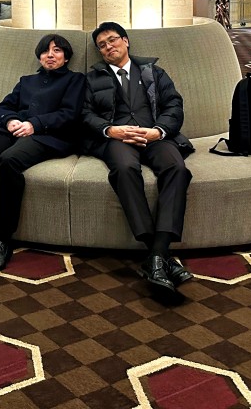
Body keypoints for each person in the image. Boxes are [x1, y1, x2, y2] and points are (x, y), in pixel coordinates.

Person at [0, 34, 86, 275]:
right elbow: (5, 106)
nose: (50, 55)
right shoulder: (27, 81)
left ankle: (4, 240)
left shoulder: (75, 80)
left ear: (66, 57)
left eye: (57, 50)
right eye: (45, 51)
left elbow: (70, 114)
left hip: (47, 135)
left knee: (9, 160)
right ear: (39, 56)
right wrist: (11, 120)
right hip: (11, 129)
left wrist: (34, 124)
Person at [83, 21, 194, 297]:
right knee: (123, 168)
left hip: (154, 136)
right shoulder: (92, 79)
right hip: (117, 140)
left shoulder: (153, 72)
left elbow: (174, 105)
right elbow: (84, 114)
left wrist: (158, 131)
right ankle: (159, 255)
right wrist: (110, 130)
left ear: (126, 41)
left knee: (177, 167)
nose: (108, 47)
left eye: (112, 40)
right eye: (102, 45)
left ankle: (156, 256)